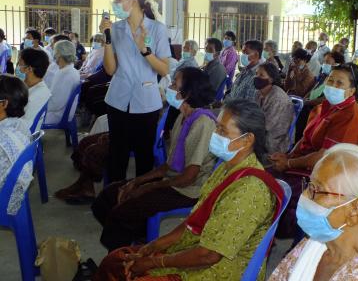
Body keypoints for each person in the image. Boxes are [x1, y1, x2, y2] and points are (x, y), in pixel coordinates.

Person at [93, 100, 281, 281]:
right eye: (216, 127)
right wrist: (153, 246)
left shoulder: (249, 191)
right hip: (198, 248)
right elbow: (195, 221)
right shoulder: (227, 168)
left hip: (216, 271)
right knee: (116, 260)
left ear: (247, 140)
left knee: (131, 272)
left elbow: (209, 256)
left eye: (222, 130)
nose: (214, 134)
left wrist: (154, 262)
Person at [88, 67, 217, 250]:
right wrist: (138, 181)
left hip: (189, 190)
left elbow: (190, 176)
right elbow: (169, 165)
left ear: (186, 93)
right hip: (173, 179)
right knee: (108, 195)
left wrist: (150, 186)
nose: (170, 87)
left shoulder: (202, 123)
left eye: (174, 84)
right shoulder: (183, 116)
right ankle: (136, 238)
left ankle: (121, 260)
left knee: (123, 210)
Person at [269, 144, 358, 281]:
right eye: (310, 185)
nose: (304, 195)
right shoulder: (317, 243)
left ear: (355, 210)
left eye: (318, 190)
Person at [101, 0, 170, 182]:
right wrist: (106, 38)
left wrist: (145, 51)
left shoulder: (157, 29)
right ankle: (115, 198)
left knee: (144, 156)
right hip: (117, 100)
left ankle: (138, 200)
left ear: (134, 0)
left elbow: (164, 69)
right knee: (117, 155)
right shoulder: (116, 29)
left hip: (146, 102)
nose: (115, 4)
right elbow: (110, 69)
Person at [271, 63, 358, 172]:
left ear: (351, 91)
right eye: (330, 80)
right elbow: (305, 138)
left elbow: (326, 156)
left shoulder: (348, 115)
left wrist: (289, 164)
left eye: (339, 83)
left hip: (326, 171)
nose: (332, 86)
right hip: (307, 162)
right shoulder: (324, 106)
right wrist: (289, 156)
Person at [294, 51, 345, 142]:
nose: (324, 64)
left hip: (319, 108)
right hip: (309, 104)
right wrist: (304, 99)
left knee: (304, 118)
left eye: (328, 62)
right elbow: (313, 89)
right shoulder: (323, 76)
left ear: (337, 64)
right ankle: (299, 142)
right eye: (324, 62)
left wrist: (307, 102)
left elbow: (325, 99)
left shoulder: (336, 81)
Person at [0, 74, 31, 216]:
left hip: (4, 199)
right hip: (12, 192)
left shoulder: (4, 137)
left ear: (4, 104)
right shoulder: (20, 124)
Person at [254, 62, 294, 154]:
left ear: (271, 79)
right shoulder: (258, 93)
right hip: (262, 134)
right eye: (256, 74)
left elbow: (267, 125)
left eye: (261, 75)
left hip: (275, 142)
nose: (257, 77)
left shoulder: (277, 98)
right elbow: (254, 114)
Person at [44, 40, 81, 124]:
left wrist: (39, 105)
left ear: (59, 54)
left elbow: (55, 104)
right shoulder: (68, 70)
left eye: (54, 51)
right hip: (59, 111)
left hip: (56, 115)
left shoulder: (66, 74)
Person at [16, 48, 51, 131]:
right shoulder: (27, 85)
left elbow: (23, 126)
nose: (17, 64)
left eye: (20, 62)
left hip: (20, 133)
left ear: (29, 69)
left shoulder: (38, 94)